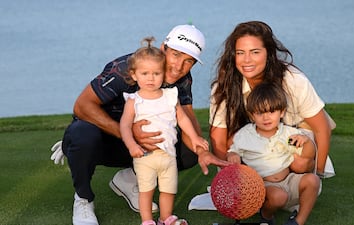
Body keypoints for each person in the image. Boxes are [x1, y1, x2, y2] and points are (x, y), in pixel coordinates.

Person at [50, 24, 230, 225]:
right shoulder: (127, 68)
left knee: (189, 151)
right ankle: (83, 198)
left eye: (189, 61)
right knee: (82, 135)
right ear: (163, 48)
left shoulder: (182, 78)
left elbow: (186, 116)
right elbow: (82, 106)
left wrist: (201, 150)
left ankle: (129, 180)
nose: (179, 66)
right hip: (102, 138)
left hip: (140, 146)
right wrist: (128, 134)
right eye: (176, 55)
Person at [209, 21, 335, 224]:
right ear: (233, 55)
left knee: (301, 158)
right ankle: (261, 196)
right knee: (234, 139)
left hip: (292, 139)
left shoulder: (293, 80)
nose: (246, 59)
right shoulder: (223, 87)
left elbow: (323, 128)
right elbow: (218, 137)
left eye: (255, 52)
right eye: (240, 52)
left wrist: (318, 173)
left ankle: (295, 191)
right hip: (252, 144)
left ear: (269, 53)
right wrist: (231, 181)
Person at [120, 36, 209, 225]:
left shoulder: (171, 95)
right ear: (134, 75)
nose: (151, 78)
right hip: (145, 156)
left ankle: (165, 218)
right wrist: (131, 145)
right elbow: (125, 126)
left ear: (163, 73)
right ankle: (147, 221)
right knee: (146, 190)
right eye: (145, 74)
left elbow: (182, 118)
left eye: (156, 74)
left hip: (168, 154)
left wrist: (194, 137)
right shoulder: (134, 100)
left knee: (169, 189)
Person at [226, 82, 320, 225]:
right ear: (252, 115)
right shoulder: (246, 135)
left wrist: (306, 141)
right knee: (279, 197)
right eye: (260, 113)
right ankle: (266, 215)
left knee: (313, 180)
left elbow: (308, 154)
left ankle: (299, 221)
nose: (266, 118)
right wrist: (232, 155)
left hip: (289, 179)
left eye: (271, 112)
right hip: (263, 185)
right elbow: (233, 150)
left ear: (281, 112)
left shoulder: (288, 134)